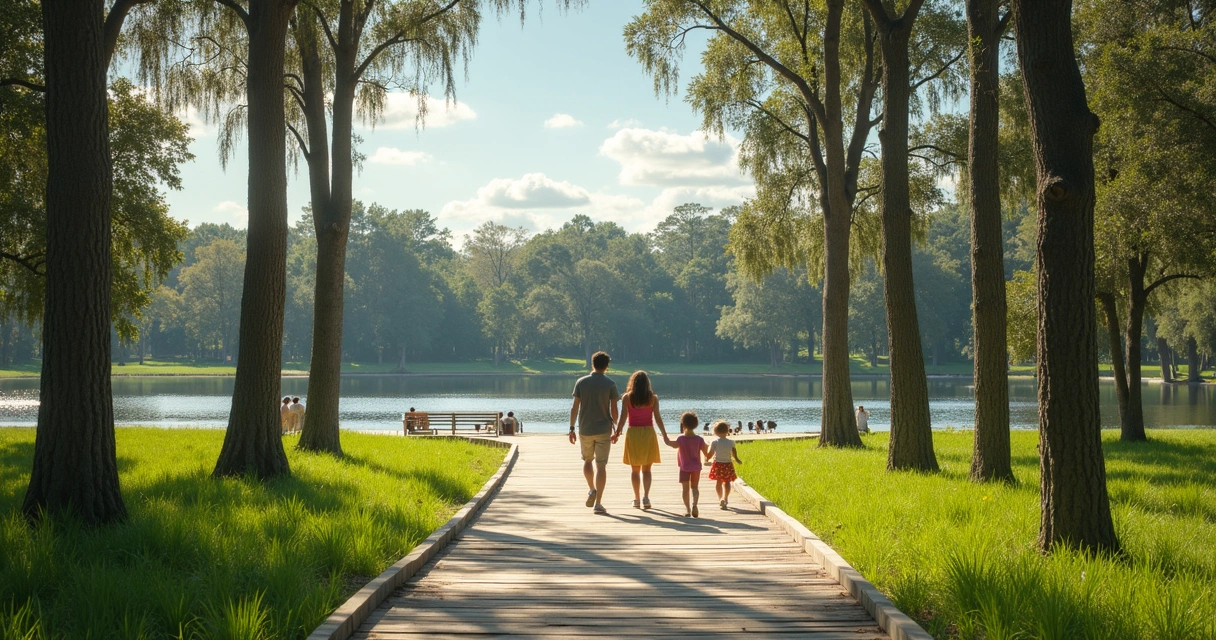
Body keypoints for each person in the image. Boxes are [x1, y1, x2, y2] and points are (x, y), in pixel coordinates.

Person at [570, 351, 619, 514]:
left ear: (592, 363)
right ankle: (598, 503)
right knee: (601, 465)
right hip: (604, 429)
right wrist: (617, 429)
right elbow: (614, 409)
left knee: (587, 461)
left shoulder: (581, 382)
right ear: (607, 366)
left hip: (585, 429)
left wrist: (571, 428)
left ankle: (591, 489)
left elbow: (575, 407)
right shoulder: (610, 384)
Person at [613, 370, 666, 510]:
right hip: (648, 432)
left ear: (633, 383)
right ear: (647, 383)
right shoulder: (653, 398)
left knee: (635, 470)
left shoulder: (627, 398)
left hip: (633, 434)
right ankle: (646, 497)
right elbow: (658, 418)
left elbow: (623, 418)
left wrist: (617, 433)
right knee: (647, 470)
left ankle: (636, 499)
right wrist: (665, 435)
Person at [662, 412, 708, 518]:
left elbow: (672, 445)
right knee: (695, 487)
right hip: (696, 467)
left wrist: (665, 438)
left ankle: (687, 510)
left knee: (685, 489)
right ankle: (695, 505)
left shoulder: (681, 439)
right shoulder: (699, 439)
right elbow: (706, 452)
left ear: (683, 424)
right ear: (695, 424)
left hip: (684, 468)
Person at [706, 420, 743, 509]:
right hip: (728, 464)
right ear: (727, 431)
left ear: (715, 432)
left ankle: (720, 498)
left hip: (718, 464)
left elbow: (710, 453)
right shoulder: (731, 442)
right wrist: (737, 459)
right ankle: (725, 498)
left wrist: (707, 458)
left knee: (719, 482)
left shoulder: (714, 442)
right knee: (727, 482)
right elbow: (734, 452)